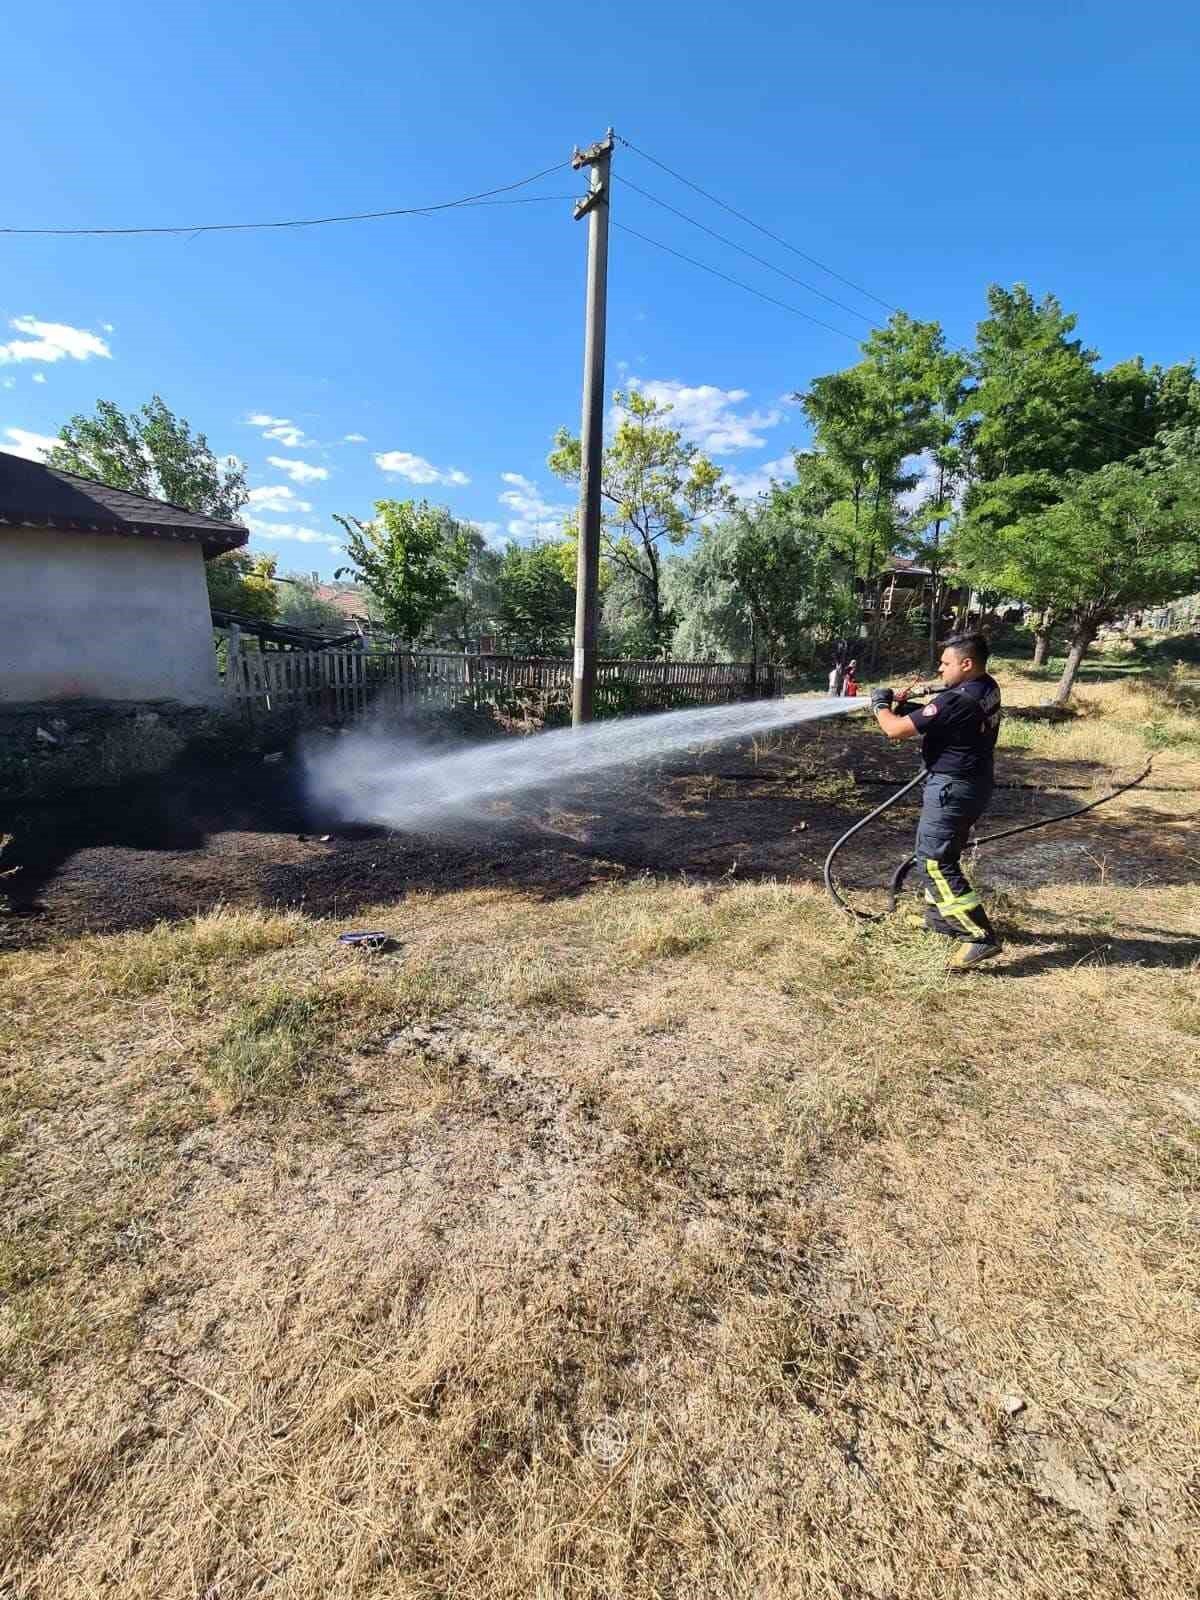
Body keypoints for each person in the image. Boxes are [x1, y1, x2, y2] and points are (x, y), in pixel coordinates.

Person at [870, 633, 1003, 971]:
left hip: (953, 788)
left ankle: (980, 936)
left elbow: (895, 730)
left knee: (934, 861)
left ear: (966, 663)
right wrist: (911, 703)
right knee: (935, 854)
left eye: (945, 663)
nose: (940, 669)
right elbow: (941, 715)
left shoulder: (956, 699)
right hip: (970, 783)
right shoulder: (986, 687)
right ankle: (942, 920)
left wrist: (880, 706)